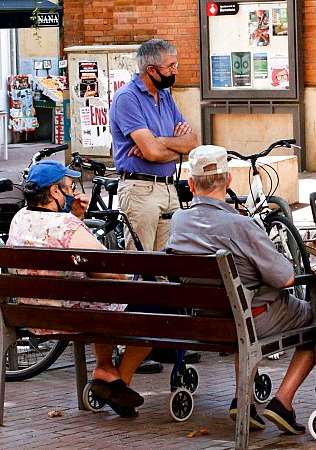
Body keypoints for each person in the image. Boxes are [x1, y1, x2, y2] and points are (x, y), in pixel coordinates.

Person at [166, 145, 313, 435]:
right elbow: (285, 278)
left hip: (205, 320)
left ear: (192, 184)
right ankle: (282, 402)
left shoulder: (178, 221)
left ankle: (242, 401)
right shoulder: (242, 225)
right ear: (229, 180)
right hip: (250, 318)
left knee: (241, 305)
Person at [7, 160, 151, 417]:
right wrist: (132, 280)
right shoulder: (67, 226)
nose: (74, 192)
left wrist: (75, 217)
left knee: (100, 299)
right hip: (74, 316)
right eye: (70, 187)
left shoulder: (19, 219)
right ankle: (119, 383)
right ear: (54, 192)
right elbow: (105, 266)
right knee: (154, 310)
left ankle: (105, 370)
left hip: (32, 315)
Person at [110, 38, 201, 373]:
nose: (175, 71)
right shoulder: (126, 99)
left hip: (167, 189)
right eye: (171, 67)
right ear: (152, 70)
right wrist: (168, 145)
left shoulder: (166, 96)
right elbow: (147, 154)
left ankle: (162, 341)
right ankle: (129, 345)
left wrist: (161, 142)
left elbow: (192, 142)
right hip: (140, 190)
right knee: (139, 268)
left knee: (167, 269)